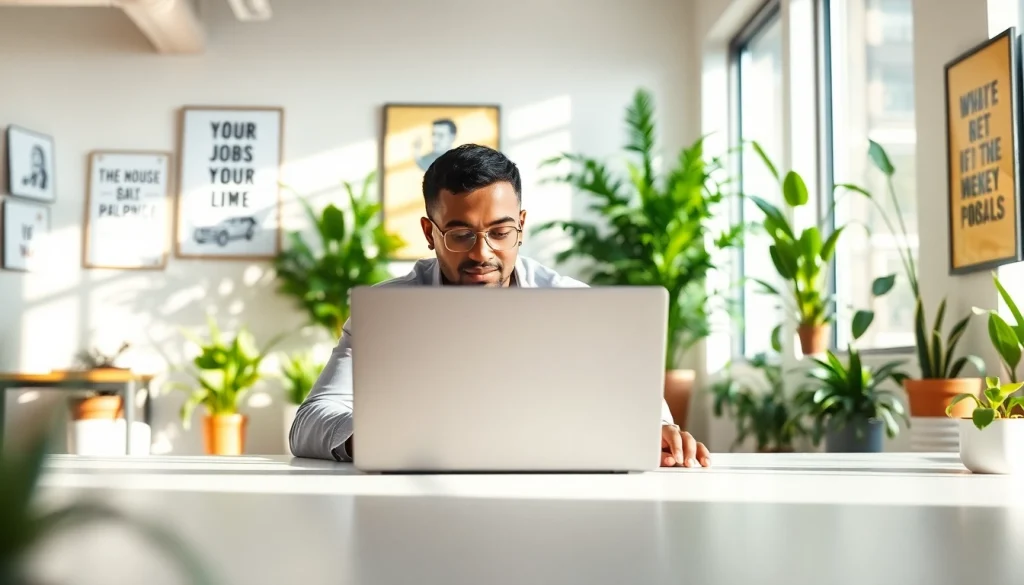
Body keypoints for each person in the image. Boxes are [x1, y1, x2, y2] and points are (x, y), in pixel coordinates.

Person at [289, 144, 711, 468]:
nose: (482, 253)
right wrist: (374, 438)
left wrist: (657, 433)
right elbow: (308, 423)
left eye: (500, 232)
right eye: (460, 235)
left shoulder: (573, 303)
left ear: (522, 226)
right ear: (428, 232)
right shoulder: (383, 311)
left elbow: (643, 414)